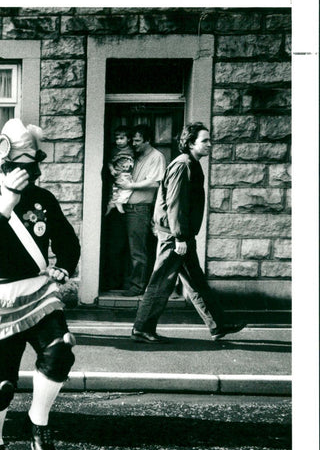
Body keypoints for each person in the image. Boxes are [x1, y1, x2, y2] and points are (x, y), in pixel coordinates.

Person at [0, 118, 80, 450]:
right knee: (1, 383)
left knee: (60, 350)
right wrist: (6, 205)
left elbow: (66, 239)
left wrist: (65, 267)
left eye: (35, 166)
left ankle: (38, 421)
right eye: (23, 167)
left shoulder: (44, 198)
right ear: (5, 165)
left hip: (38, 292)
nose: (31, 173)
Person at [132, 123, 247, 344]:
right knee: (161, 282)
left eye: (209, 140)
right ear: (191, 143)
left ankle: (218, 325)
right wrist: (179, 237)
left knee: (196, 281)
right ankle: (141, 329)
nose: (209, 144)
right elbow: (176, 203)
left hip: (180, 235)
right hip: (174, 236)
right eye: (205, 141)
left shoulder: (192, 164)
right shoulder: (183, 165)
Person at [115, 124, 166, 296]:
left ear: (148, 140)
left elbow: (154, 182)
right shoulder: (135, 156)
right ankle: (126, 282)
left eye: (137, 140)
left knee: (138, 250)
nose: (133, 143)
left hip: (140, 209)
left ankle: (138, 286)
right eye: (133, 140)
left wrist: (131, 185)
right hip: (127, 207)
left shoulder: (156, 157)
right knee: (126, 248)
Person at [105, 126, 135, 215]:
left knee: (118, 189)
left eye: (122, 138)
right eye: (117, 139)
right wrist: (112, 170)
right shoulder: (115, 151)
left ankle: (111, 203)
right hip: (120, 173)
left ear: (128, 139)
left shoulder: (131, 149)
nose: (118, 141)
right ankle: (119, 202)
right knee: (127, 188)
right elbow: (109, 162)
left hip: (127, 173)